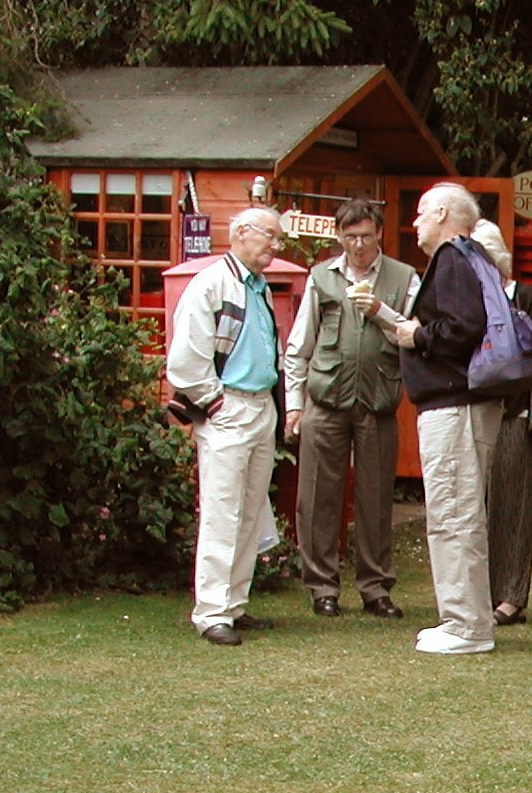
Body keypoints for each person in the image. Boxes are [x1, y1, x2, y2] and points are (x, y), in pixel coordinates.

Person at [282, 198, 419, 621]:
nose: (358, 245)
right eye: (350, 236)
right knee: (318, 495)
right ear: (339, 236)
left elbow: (412, 335)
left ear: (379, 233)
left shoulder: (404, 277)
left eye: (365, 235)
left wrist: (379, 311)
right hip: (325, 398)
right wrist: (293, 405)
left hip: (377, 400)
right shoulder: (322, 277)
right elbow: (298, 346)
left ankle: (375, 588)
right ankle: (322, 588)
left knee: (376, 497)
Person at [167, 206, 286, 647]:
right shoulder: (211, 284)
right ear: (240, 234)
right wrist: (215, 403)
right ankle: (212, 611)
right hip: (229, 407)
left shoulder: (260, 288)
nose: (275, 246)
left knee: (251, 510)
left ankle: (234, 605)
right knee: (223, 511)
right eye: (269, 236)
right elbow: (185, 359)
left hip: (259, 407)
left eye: (279, 239)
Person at [393, 183, 498, 655]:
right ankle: (461, 619)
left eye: (419, 213)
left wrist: (418, 334)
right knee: (454, 513)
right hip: (458, 407)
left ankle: (467, 627)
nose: (414, 222)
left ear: (441, 212)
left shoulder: (455, 257)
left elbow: (462, 328)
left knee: (454, 514)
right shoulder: (469, 257)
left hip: (455, 407)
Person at [469, 219, 532, 627]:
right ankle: (477, 592)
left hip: (514, 414)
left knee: (511, 505)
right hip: (473, 410)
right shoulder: (469, 300)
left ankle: (511, 596)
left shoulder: (524, 297)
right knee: (474, 506)